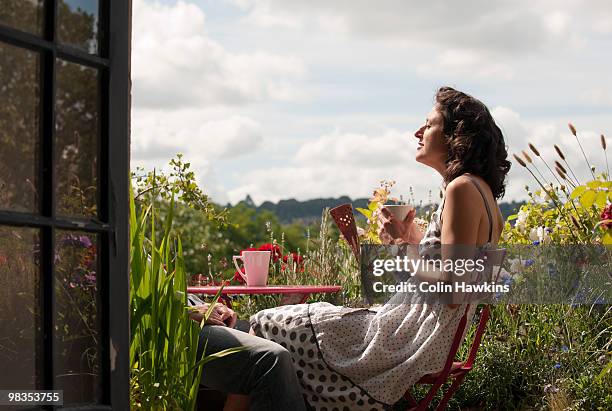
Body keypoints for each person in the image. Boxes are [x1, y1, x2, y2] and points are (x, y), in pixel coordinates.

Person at [249, 86, 511, 411]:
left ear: (454, 135)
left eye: (429, 124)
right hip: (423, 336)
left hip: (405, 338)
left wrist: (401, 247)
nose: (418, 131)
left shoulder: (461, 189)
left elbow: (453, 290)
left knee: (268, 323)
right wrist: (411, 238)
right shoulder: (483, 195)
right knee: (293, 322)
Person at [191, 302, 306, 411]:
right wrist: (190, 311)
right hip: (181, 322)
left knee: (261, 330)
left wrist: (217, 307)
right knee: (270, 357)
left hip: (193, 308)